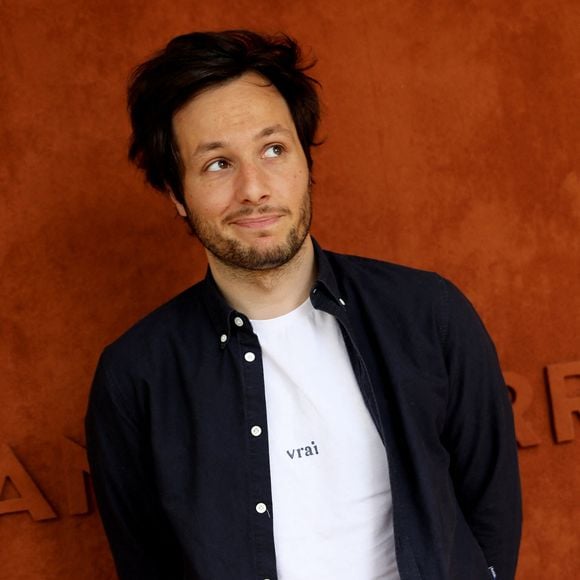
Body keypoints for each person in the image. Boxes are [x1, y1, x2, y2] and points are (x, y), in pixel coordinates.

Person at [85, 30, 522, 580]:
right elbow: (146, 562)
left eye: (273, 150)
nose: (254, 189)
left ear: (305, 161)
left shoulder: (429, 314)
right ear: (177, 194)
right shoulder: (134, 379)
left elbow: (492, 510)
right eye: (217, 163)